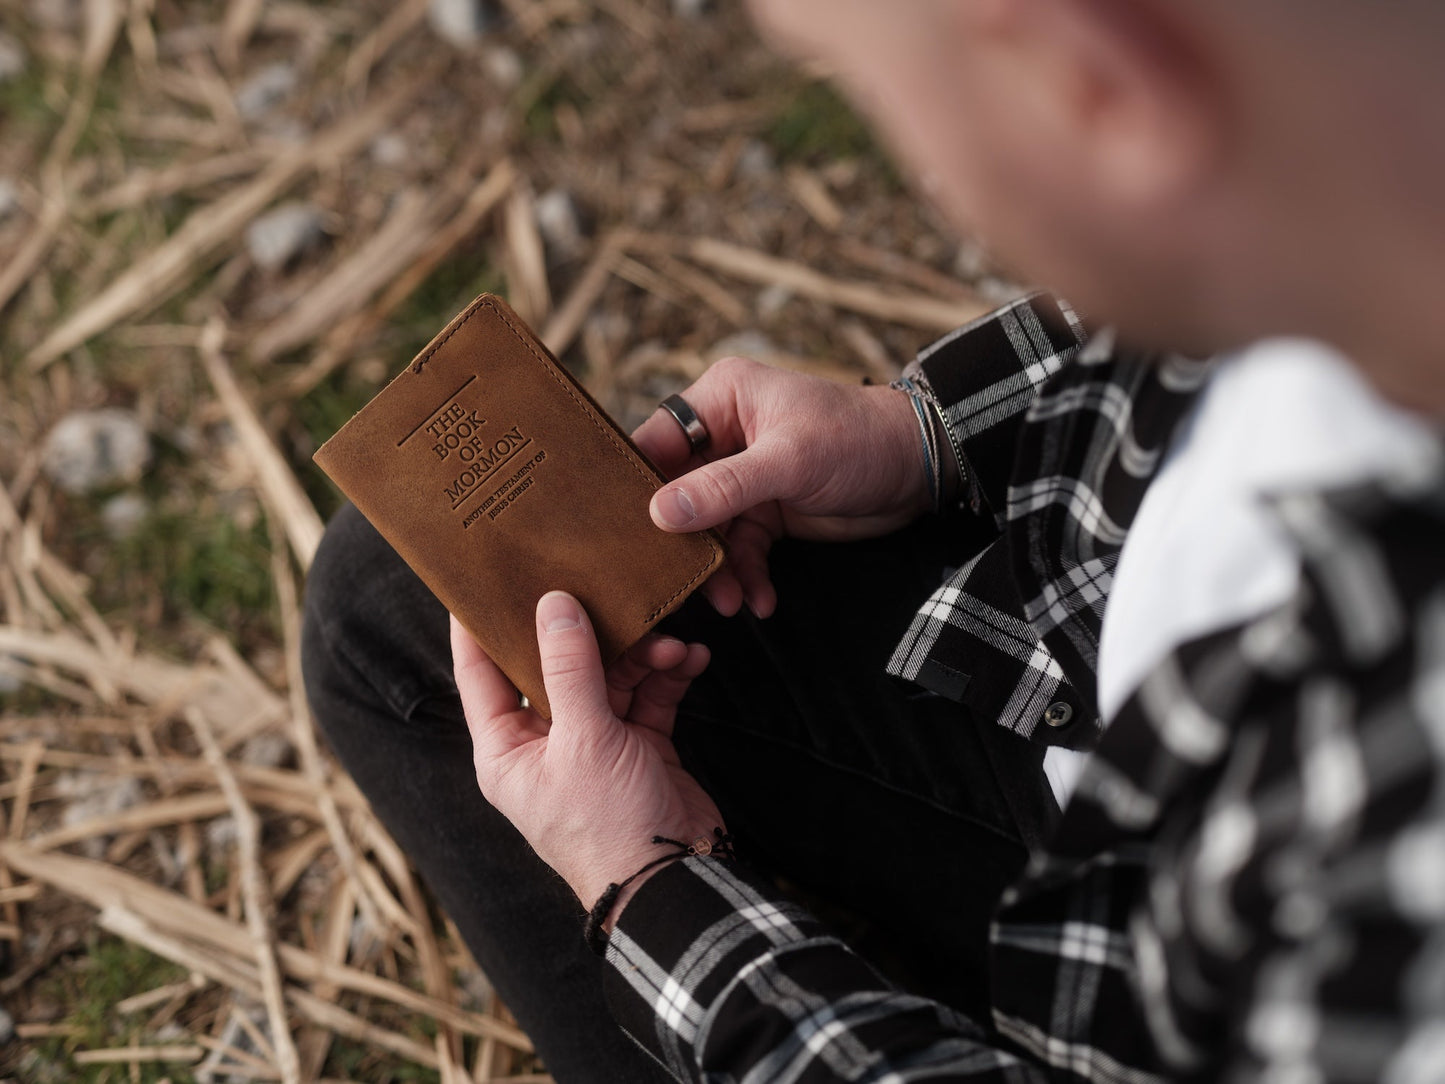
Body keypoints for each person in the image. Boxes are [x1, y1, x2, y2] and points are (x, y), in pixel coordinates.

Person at [302, 0, 1445, 1080]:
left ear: (1094, 78)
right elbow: (1222, 274)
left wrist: (646, 891)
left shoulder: (1384, 866)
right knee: (393, 590)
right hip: (1078, 708)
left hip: (1143, 975)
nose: (929, 174)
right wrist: (925, 432)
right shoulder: (1364, 170)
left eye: (861, 81)